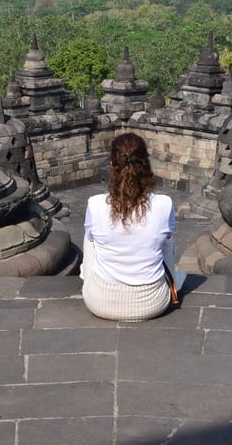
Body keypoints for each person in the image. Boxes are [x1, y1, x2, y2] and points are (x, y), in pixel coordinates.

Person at [80, 132, 183, 321]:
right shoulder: (163, 203)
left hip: (100, 302)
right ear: (145, 163)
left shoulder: (95, 204)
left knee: (90, 238)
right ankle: (171, 280)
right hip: (153, 303)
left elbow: (93, 239)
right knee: (167, 238)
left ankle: (88, 278)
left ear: (112, 165)